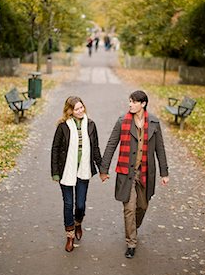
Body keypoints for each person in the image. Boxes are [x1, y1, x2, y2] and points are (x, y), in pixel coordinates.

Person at [100, 90, 169, 259]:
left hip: (145, 172)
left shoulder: (153, 123)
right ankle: (131, 242)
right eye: (129, 101)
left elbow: (160, 149)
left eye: (133, 102)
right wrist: (104, 169)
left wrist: (164, 172)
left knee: (142, 207)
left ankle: (133, 228)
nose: (130, 104)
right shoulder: (122, 121)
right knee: (129, 208)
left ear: (143, 104)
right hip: (126, 172)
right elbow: (111, 145)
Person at [51, 96, 102, 252]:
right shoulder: (63, 127)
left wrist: (102, 169)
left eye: (82, 107)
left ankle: (78, 222)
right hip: (66, 170)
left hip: (83, 169)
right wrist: (55, 172)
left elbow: (95, 149)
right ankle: (70, 235)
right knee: (68, 204)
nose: (80, 111)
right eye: (77, 109)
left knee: (80, 204)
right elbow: (55, 149)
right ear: (70, 111)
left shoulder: (91, 125)